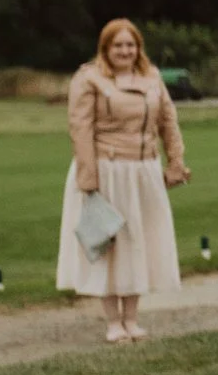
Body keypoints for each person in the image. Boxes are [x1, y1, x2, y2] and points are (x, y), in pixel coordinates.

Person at [56, 18, 190, 344]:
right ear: (106, 47)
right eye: (118, 45)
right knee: (108, 245)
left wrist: (176, 162)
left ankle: (132, 318)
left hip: (143, 170)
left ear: (138, 48)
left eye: (130, 45)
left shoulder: (152, 76)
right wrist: (89, 180)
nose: (125, 51)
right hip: (106, 170)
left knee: (138, 243)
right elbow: (80, 129)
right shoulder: (89, 79)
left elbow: (168, 121)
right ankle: (113, 322)